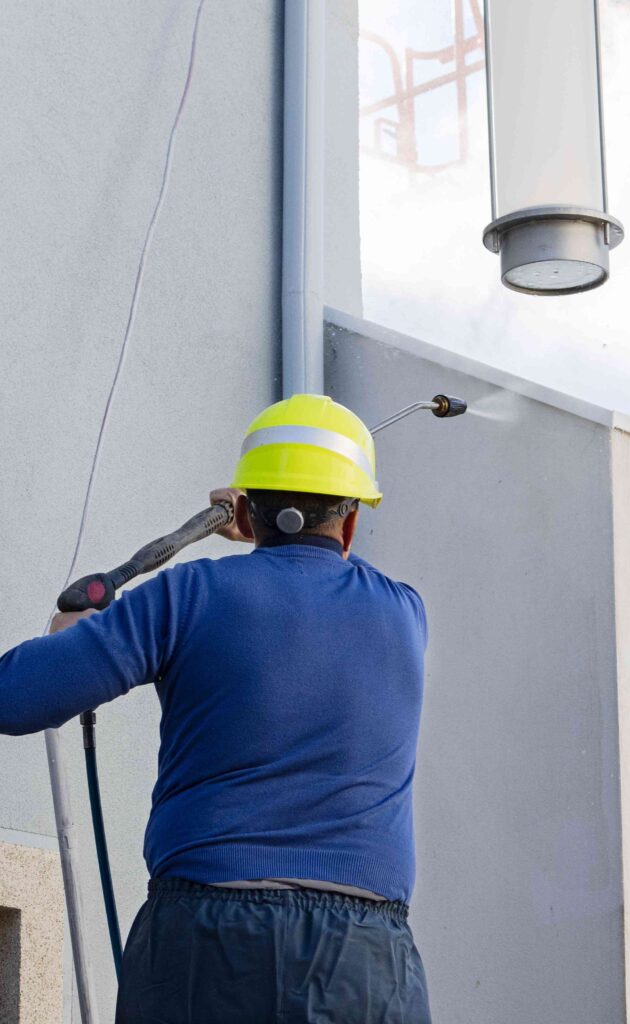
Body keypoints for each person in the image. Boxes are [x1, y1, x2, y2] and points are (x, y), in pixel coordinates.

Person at [0, 394, 432, 1023]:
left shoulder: (187, 597)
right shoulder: (405, 614)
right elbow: (318, 573)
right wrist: (270, 525)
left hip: (206, 935)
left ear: (249, 510)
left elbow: (16, 698)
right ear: (352, 522)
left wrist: (70, 635)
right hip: (363, 959)